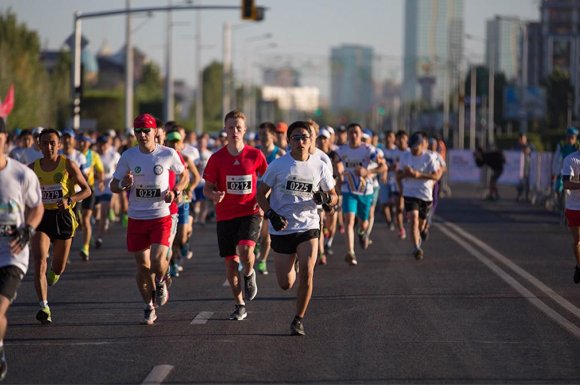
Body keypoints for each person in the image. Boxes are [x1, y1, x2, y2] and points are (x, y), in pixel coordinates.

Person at [256, 120, 337, 336]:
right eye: (296, 138)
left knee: (308, 274)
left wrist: (326, 198)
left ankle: (298, 319)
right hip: (282, 228)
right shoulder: (278, 166)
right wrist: (271, 215)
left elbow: (334, 196)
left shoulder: (320, 165)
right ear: (289, 141)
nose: (301, 142)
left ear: (311, 141)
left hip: (309, 226)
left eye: (305, 137)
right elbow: (260, 194)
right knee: (285, 283)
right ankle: (294, 269)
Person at [110, 113, 188, 325]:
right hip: (136, 218)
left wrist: (177, 189)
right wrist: (123, 184)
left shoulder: (168, 154)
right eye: (138, 131)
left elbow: (185, 175)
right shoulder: (128, 156)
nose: (142, 135)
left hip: (160, 216)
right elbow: (113, 185)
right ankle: (149, 306)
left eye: (146, 131)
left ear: (155, 132)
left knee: (156, 261)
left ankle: (162, 280)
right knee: (142, 268)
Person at [203, 110, 268, 321]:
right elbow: (207, 188)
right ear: (225, 129)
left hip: (250, 211)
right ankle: (240, 304)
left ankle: (249, 273)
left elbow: (268, 182)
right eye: (231, 127)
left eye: (239, 127)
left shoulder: (255, 155)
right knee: (231, 263)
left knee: (246, 249)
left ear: (245, 131)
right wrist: (215, 195)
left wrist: (263, 201)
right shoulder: (216, 158)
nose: (234, 131)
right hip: (225, 215)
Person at [31, 128, 91, 324]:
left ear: (59, 145)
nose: (48, 147)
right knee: (40, 261)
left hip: (63, 217)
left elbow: (87, 191)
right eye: (44, 143)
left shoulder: (68, 165)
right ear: (39, 145)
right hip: (42, 218)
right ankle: (44, 306)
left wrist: (70, 200)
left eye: (52, 143)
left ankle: (55, 273)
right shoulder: (32, 168)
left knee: (58, 267)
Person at [0, 118, 44, 380]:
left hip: (11, 253)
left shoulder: (20, 173)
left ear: (4, 138)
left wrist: (28, 228)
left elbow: (37, 206)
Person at [336, 123, 386, 265]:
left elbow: (383, 166)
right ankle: (350, 252)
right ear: (347, 134)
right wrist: (339, 173)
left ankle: (362, 232)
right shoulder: (342, 150)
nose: (353, 135)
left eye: (356, 132)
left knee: (363, 223)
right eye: (351, 132)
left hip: (365, 191)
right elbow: (336, 163)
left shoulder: (368, 150)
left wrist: (368, 172)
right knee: (349, 220)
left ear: (360, 134)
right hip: (348, 190)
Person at [397, 132, 440, 260]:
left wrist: (418, 175)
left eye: (415, 147)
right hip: (409, 193)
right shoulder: (405, 156)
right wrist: (404, 179)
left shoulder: (429, 157)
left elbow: (436, 176)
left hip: (425, 195)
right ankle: (416, 248)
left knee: (421, 224)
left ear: (422, 146)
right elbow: (398, 176)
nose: (413, 150)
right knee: (413, 219)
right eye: (411, 147)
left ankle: (422, 231)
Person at [255, 122, 286, 275]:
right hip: (256, 197)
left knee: (266, 233)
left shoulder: (280, 154)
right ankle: (254, 247)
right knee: (256, 230)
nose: (262, 138)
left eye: (265, 134)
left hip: (272, 198)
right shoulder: (254, 153)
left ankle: (262, 261)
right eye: (260, 135)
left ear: (273, 135)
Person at [77, 134, 104, 261]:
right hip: (75, 191)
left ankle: (85, 247)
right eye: (80, 141)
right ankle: (88, 235)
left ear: (89, 143)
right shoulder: (74, 155)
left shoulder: (94, 155)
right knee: (79, 221)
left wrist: (101, 182)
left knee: (86, 218)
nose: (82, 144)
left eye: (85, 142)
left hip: (89, 190)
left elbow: (100, 170)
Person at [561, 149, 580, 284]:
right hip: (574, 206)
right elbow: (566, 184)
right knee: (578, 241)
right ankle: (579, 265)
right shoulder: (571, 159)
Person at [552, 127, 579, 211]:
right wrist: (554, 173)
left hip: (575, 175)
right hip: (562, 173)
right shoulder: (561, 147)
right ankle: (560, 205)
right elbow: (556, 160)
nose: (570, 140)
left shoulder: (577, 148)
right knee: (558, 187)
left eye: (572, 138)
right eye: (568, 137)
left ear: (575, 138)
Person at [515, 133, 534, 202]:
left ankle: (527, 196)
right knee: (520, 182)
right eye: (521, 139)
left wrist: (528, 150)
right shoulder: (517, 146)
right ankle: (520, 194)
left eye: (523, 138)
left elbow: (533, 151)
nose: (522, 140)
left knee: (527, 181)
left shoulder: (530, 145)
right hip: (519, 168)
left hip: (527, 166)